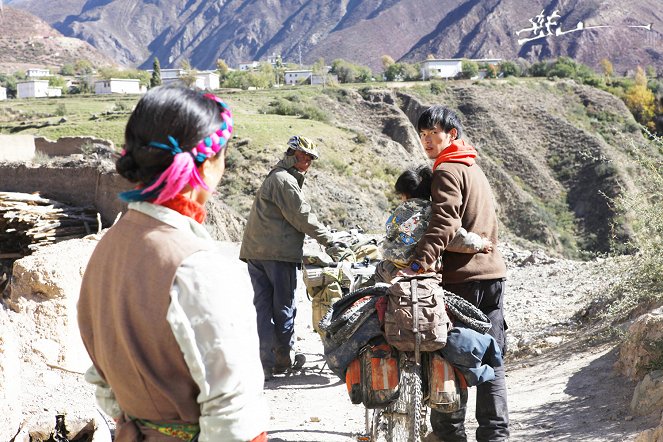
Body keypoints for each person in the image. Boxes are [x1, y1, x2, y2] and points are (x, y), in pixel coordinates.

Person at [77, 85, 268, 441]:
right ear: (208, 165)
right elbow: (234, 414)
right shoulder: (197, 266)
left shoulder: (109, 246)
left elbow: (101, 379)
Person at [401, 106, 509, 441]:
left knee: (449, 356)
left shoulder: (446, 170)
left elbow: (445, 223)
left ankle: (450, 435)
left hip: (463, 282)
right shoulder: (472, 167)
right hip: (492, 278)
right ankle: (495, 435)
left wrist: (420, 261)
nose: (428, 141)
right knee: (491, 358)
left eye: (435, 133)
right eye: (423, 135)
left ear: (453, 134)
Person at [239, 136, 340, 381]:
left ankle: (265, 362)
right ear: (291, 152)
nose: (307, 161)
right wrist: (330, 242)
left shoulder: (276, 176)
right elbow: (301, 216)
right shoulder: (284, 180)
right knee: (283, 308)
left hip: (256, 252)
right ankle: (283, 359)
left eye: (311, 158)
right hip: (278, 255)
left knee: (263, 309)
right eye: (303, 155)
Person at [377, 164, 492, 282]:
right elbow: (454, 238)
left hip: (388, 267)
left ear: (404, 194)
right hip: (415, 272)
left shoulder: (398, 211)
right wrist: (480, 244)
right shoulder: (433, 212)